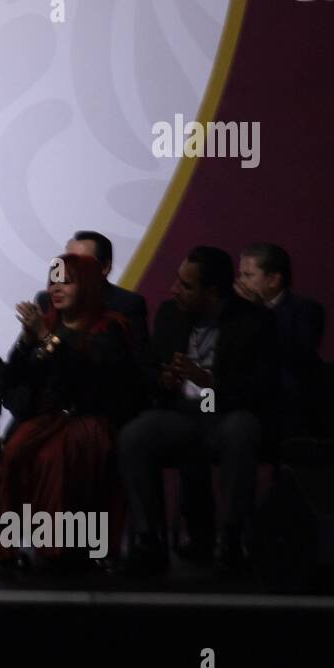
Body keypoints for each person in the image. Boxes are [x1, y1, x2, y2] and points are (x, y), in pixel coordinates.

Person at [118, 246, 278, 575]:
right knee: (135, 435)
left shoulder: (254, 322)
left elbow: (259, 388)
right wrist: (163, 379)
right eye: (178, 281)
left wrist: (207, 380)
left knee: (241, 430)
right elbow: (146, 365)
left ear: (213, 292)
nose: (175, 289)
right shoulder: (169, 313)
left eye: (186, 286)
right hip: (181, 413)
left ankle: (231, 538)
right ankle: (149, 539)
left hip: (225, 412)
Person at [0, 254, 141, 569]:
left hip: (90, 418)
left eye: (66, 282)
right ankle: (9, 545)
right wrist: (27, 344)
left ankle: (60, 547)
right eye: (52, 281)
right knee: (16, 449)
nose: (55, 289)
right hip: (47, 418)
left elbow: (87, 379)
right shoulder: (45, 325)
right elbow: (13, 379)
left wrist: (45, 339)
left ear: (85, 287)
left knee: (52, 456)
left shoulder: (109, 327)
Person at [235, 242, 324, 437]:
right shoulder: (236, 313)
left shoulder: (305, 310)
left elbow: (298, 356)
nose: (240, 282)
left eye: (248, 275)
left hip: (286, 400)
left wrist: (260, 312)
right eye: (240, 275)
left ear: (274, 280)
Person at [36, 230, 148, 356]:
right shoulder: (47, 300)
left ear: (105, 267)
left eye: (81, 262)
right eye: (67, 260)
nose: (70, 267)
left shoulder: (125, 307)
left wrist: (45, 336)